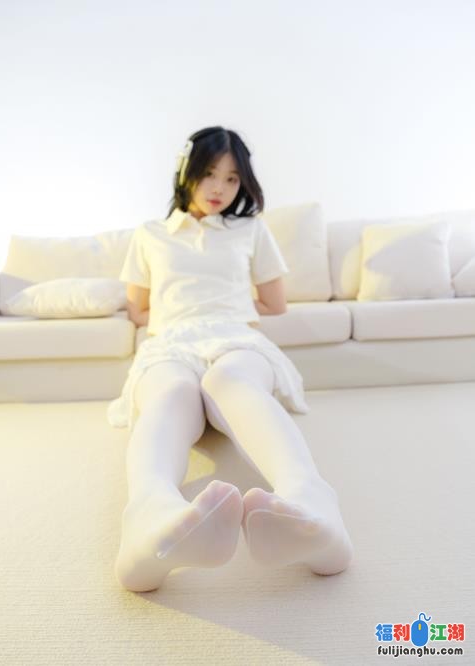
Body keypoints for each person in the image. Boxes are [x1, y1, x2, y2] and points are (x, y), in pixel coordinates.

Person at [108, 126, 353, 592]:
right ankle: (149, 519)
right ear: (186, 172)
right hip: (171, 341)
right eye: (209, 174)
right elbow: (138, 308)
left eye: (232, 178)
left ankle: (312, 507)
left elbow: (274, 303)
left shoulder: (252, 229)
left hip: (235, 336)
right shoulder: (150, 234)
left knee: (232, 381)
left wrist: (226, 306)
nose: (219, 188)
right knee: (172, 391)